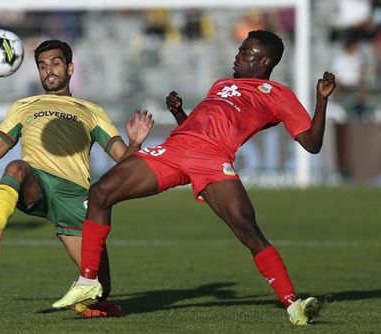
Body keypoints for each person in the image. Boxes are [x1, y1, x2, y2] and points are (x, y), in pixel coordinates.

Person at [52, 30, 337, 326]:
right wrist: (180, 114)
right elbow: (201, 126)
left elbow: (311, 143)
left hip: (212, 160)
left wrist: (321, 99)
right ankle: (88, 281)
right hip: (175, 148)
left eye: (245, 52)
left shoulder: (278, 94)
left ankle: (294, 306)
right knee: (100, 192)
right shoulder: (221, 84)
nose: (237, 56)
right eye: (239, 50)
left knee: (247, 230)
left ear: (264, 61)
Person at [0, 40, 154, 318]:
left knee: (99, 288)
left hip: (75, 198)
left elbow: (125, 163)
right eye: (42, 65)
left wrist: (135, 142)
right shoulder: (24, 106)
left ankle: (89, 303)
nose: (48, 70)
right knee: (15, 166)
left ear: (70, 68)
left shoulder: (92, 111)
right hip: (35, 183)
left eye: (55, 63)